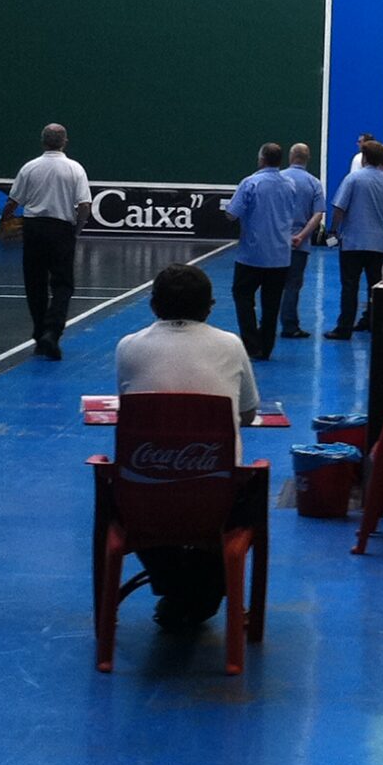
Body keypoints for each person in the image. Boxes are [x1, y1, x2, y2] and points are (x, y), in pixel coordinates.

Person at [112, 263, 261, 633]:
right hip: (217, 503)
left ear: (153, 305)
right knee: (242, 494)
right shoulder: (231, 345)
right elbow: (248, 413)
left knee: (132, 492)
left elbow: (130, 406)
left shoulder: (128, 347)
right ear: (209, 307)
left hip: (142, 503)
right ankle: (193, 595)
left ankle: (176, 589)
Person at [7, 123, 93, 359]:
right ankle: (52, 332)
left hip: (34, 228)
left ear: (42, 141)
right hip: (61, 229)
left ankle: (39, 334)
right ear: (65, 142)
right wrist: (77, 230)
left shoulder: (30, 167)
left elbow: (13, 201)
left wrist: (5, 222)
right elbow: (84, 205)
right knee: (63, 284)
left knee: (34, 283)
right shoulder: (75, 169)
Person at [224, 142, 307, 359]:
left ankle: (251, 343)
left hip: (251, 254)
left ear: (261, 159)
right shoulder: (290, 185)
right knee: (271, 303)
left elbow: (232, 213)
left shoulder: (250, 183)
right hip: (280, 255)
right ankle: (266, 346)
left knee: (243, 296)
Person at [324, 141, 383, 339]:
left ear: (365, 158)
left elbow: (339, 207)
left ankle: (344, 327)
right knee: (376, 287)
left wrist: (333, 231)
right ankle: (376, 325)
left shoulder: (353, 179)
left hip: (353, 242)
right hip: (378, 244)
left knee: (349, 286)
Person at [276, 141, 324, 340]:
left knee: (272, 284)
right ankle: (290, 325)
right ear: (307, 159)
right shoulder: (314, 183)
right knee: (293, 285)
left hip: (276, 242)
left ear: (290, 157)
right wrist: (302, 236)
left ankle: (267, 323)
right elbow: (318, 214)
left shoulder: (277, 179)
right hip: (299, 244)